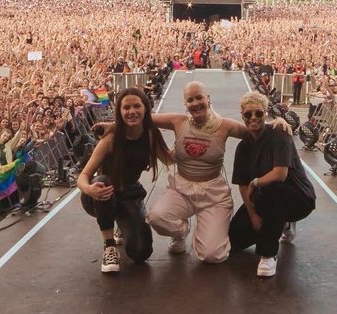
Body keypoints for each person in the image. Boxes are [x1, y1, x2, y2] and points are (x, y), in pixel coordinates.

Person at [145, 81, 290, 263]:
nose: (196, 103)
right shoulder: (177, 121)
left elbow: (255, 128)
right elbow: (140, 118)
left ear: (208, 99)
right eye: (190, 100)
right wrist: (112, 127)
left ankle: (207, 230)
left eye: (199, 97)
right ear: (185, 104)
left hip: (213, 194)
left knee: (212, 256)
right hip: (181, 189)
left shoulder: (225, 126)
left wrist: (276, 123)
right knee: (156, 217)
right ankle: (181, 232)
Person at [77, 87, 173, 274]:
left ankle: (123, 222)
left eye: (137, 106)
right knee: (104, 182)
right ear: (119, 112)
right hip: (101, 196)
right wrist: (89, 189)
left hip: (130, 193)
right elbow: (83, 176)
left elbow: (169, 159)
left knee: (140, 253)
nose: (132, 111)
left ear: (146, 108)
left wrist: (191, 139)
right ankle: (109, 245)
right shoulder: (111, 138)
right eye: (126, 107)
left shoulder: (151, 135)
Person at [229, 92, 316, 277]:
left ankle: (268, 254)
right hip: (262, 198)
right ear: (242, 116)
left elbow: (280, 174)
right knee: (234, 239)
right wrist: (252, 215)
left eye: (258, 113)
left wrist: (255, 182)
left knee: (271, 190)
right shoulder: (243, 147)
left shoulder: (279, 134)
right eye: (248, 114)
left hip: (296, 197)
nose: (253, 118)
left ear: (265, 113)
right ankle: (282, 224)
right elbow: (243, 185)